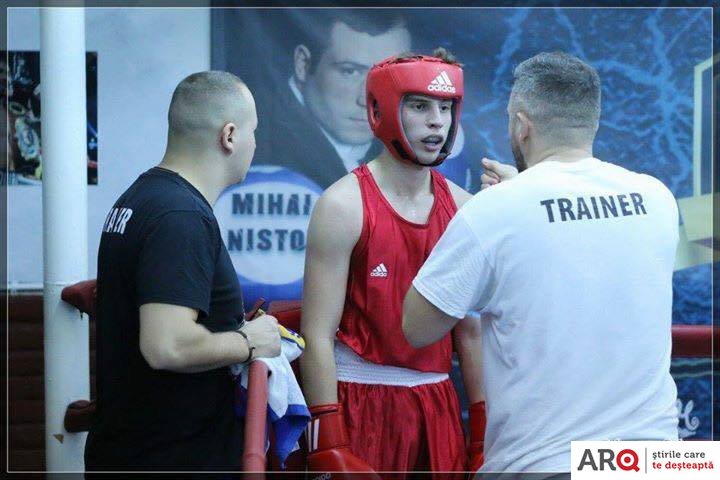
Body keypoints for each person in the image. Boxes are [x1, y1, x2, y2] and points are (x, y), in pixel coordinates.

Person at [403, 52, 680, 473]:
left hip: (548, 462)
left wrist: (491, 215)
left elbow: (417, 327)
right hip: (661, 461)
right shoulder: (657, 197)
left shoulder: (496, 210)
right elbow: (587, 241)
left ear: (521, 125)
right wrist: (520, 198)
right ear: (592, 122)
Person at [300, 50, 484, 477]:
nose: (436, 122)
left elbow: (471, 335)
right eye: (419, 106)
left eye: (445, 107)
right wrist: (329, 440)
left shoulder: (465, 209)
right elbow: (317, 334)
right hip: (358, 401)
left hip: (437, 405)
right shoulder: (343, 205)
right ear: (381, 110)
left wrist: (482, 434)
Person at [84, 71, 281, 470]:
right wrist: (249, 340)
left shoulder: (142, 198)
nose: (255, 144)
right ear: (229, 136)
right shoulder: (180, 216)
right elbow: (167, 346)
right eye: (253, 131)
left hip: (140, 451)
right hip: (169, 459)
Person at [252, 11, 411, 189]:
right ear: (303, 64)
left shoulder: (406, 143)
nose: (367, 100)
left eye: (389, 76)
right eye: (350, 71)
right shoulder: (257, 146)